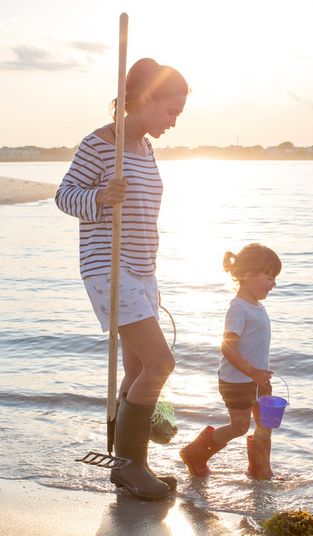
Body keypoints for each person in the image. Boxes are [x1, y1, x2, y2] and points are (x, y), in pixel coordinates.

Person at [56, 58, 189, 500]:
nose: (173, 122)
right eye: (171, 111)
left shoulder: (145, 148)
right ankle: (133, 467)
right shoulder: (100, 144)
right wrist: (100, 194)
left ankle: (129, 464)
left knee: (137, 369)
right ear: (146, 98)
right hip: (107, 268)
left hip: (142, 269)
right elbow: (64, 196)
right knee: (160, 364)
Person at [179, 243, 282, 479]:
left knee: (265, 423)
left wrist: (259, 374)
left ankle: (260, 470)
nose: (274, 283)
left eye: (274, 277)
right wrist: (252, 371)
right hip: (237, 381)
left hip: (258, 379)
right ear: (248, 277)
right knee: (240, 426)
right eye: (269, 277)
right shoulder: (238, 308)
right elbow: (226, 347)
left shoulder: (257, 305)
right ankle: (195, 453)